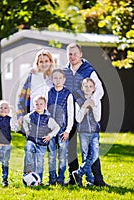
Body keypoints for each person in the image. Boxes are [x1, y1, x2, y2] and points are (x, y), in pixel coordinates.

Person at [62, 43, 108, 186]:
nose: (72, 57)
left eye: (75, 53)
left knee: (90, 148)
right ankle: (73, 177)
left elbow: (99, 90)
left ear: (81, 54)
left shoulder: (89, 70)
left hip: (86, 116)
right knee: (70, 148)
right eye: (70, 54)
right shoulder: (65, 71)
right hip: (69, 115)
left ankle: (98, 179)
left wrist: (90, 102)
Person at [22, 95, 60, 184]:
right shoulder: (30, 116)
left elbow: (57, 128)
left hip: (42, 143)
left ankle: (38, 180)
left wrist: (50, 136)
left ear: (45, 105)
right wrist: (26, 130)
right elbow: (24, 120)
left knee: (39, 162)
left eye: (41, 104)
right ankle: (27, 174)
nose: (39, 106)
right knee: (28, 149)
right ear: (34, 105)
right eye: (37, 104)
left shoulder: (48, 118)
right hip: (31, 140)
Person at [46, 69, 74, 186]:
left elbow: (71, 113)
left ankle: (61, 178)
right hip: (51, 130)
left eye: (60, 78)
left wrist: (68, 130)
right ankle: (52, 179)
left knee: (62, 155)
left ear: (64, 80)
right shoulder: (49, 92)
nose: (57, 81)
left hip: (62, 129)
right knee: (52, 155)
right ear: (52, 80)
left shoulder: (68, 94)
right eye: (55, 78)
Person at [72, 78, 101, 186]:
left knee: (94, 155)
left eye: (90, 86)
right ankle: (90, 180)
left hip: (94, 132)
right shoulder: (78, 102)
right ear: (82, 88)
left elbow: (98, 118)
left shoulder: (97, 101)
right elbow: (78, 119)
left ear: (94, 89)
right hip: (83, 132)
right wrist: (84, 107)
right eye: (86, 86)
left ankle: (78, 173)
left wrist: (93, 106)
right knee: (85, 155)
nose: (88, 88)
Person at [17, 49, 54, 128]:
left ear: (51, 62)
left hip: (50, 118)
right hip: (33, 117)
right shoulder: (32, 76)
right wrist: (20, 115)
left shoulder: (54, 78)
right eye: (41, 62)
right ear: (37, 63)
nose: (44, 64)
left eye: (46, 61)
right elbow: (21, 98)